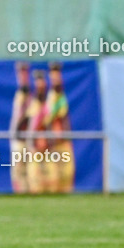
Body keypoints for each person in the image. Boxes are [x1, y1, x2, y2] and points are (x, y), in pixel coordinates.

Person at [44, 63, 74, 193]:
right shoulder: (52, 97)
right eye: (54, 77)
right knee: (54, 174)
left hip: (63, 140)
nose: (57, 79)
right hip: (54, 141)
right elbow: (49, 119)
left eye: (58, 76)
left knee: (67, 172)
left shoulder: (61, 96)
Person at [8, 62, 31, 194]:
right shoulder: (20, 96)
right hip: (18, 139)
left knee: (28, 169)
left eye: (24, 73)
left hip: (27, 138)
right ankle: (20, 192)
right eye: (20, 73)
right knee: (17, 169)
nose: (22, 77)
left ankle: (28, 192)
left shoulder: (30, 97)